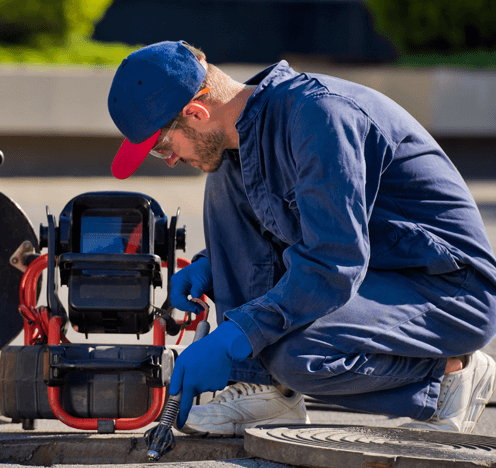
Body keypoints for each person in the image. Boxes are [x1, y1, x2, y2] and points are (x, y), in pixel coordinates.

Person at [108, 40, 496, 436]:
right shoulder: (246, 134)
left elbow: (333, 264)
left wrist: (237, 335)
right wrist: (216, 264)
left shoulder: (320, 117)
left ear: (196, 111)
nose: (169, 159)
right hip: (375, 273)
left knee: (297, 357)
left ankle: (451, 374)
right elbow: (289, 226)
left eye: (161, 147)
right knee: (222, 174)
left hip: (448, 290)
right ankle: (266, 392)